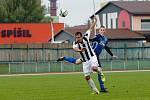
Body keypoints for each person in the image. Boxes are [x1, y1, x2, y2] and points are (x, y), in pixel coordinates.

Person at [57, 26, 117, 92]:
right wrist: (96, 36)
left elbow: (106, 47)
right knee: (91, 67)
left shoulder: (105, 39)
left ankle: (101, 87)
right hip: (92, 55)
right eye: (101, 30)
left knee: (78, 62)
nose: (102, 31)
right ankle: (102, 87)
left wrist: (112, 54)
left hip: (91, 56)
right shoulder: (98, 37)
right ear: (99, 31)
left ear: (105, 31)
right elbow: (92, 39)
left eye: (103, 30)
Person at [61, 17, 106, 94]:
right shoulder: (75, 43)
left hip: (92, 57)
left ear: (81, 36)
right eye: (76, 37)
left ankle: (100, 71)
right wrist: (80, 50)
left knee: (94, 68)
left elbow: (91, 28)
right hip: (85, 61)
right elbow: (75, 49)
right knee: (87, 77)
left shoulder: (86, 37)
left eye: (78, 37)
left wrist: (95, 21)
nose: (77, 39)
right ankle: (95, 91)